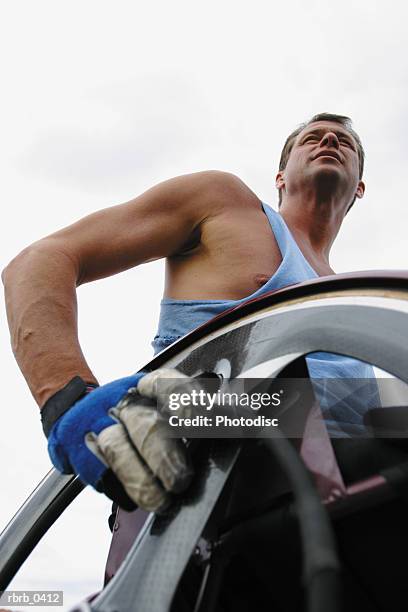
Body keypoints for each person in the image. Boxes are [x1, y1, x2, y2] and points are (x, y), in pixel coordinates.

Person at [2, 112, 379, 519]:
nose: (328, 142)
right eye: (313, 138)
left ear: (359, 188)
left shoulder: (361, 304)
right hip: (204, 509)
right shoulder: (225, 205)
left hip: (355, 516)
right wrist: (68, 399)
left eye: (343, 141)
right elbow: (40, 260)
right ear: (280, 177)